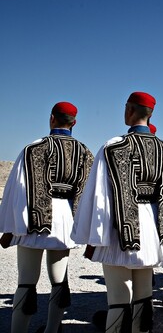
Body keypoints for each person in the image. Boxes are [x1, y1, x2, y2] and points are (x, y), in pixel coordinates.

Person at [71, 92, 163, 333]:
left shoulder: (113, 147)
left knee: (119, 299)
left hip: (118, 230)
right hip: (152, 229)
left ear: (129, 111)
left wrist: (92, 235)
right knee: (143, 295)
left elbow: (99, 195)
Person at [0, 102, 94, 333]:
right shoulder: (84, 151)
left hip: (34, 218)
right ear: (74, 122)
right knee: (59, 280)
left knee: (26, 281)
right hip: (65, 221)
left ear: (52, 118)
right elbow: (89, 192)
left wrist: (11, 228)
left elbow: (18, 189)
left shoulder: (34, 148)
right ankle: (53, 329)